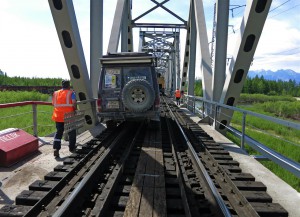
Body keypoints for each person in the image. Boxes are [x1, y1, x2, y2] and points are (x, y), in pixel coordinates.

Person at [52, 80, 77, 158]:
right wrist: (75, 110)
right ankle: (72, 148)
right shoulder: (71, 93)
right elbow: (74, 103)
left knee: (59, 132)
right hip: (68, 116)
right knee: (71, 131)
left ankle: (56, 148)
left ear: (61, 85)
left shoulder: (55, 93)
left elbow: (53, 103)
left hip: (58, 116)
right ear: (69, 85)